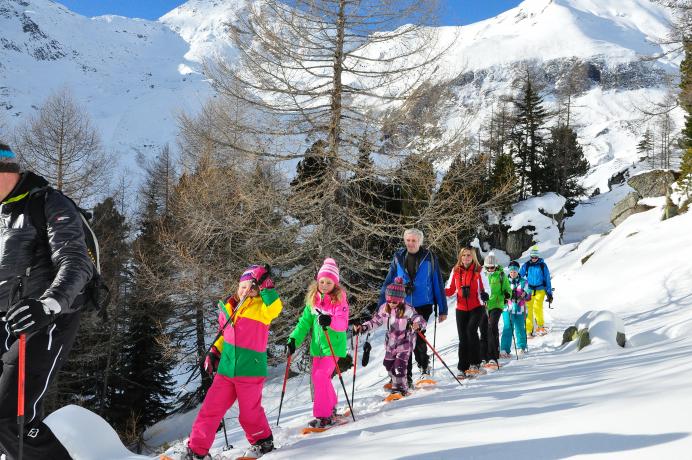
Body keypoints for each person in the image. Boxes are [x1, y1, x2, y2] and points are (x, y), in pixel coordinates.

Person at [0, 142, 94, 460]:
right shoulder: (2, 213)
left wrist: (48, 304)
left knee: (10, 415)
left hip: (45, 319)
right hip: (6, 321)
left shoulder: (48, 203)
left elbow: (76, 262)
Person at [185, 265, 282, 460]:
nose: (246, 290)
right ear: (238, 286)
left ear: (258, 290)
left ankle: (262, 442)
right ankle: (196, 450)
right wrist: (214, 351)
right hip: (226, 370)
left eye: (251, 287)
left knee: (249, 414)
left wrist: (266, 286)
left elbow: (275, 308)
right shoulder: (230, 308)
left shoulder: (261, 309)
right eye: (243, 286)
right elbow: (223, 336)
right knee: (210, 410)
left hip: (250, 369)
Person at [286, 258, 349, 429]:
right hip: (317, 348)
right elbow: (304, 323)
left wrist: (329, 320)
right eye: (322, 281)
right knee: (318, 377)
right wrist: (293, 340)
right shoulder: (313, 300)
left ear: (335, 283)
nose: (324, 285)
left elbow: (343, 323)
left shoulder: (339, 299)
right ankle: (332, 404)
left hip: (333, 346)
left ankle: (324, 415)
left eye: (329, 282)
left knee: (321, 376)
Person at [379, 228, 447, 386]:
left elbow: (437, 283)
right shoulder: (398, 257)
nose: (410, 243)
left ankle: (424, 369)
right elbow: (388, 282)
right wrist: (382, 305)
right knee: (402, 339)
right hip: (402, 305)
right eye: (408, 240)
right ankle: (405, 376)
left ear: (420, 242)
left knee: (417, 335)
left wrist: (442, 308)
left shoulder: (429, 257)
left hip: (423, 303)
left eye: (414, 240)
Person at [354, 277, 426, 396]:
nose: (392, 304)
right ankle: (396, 381)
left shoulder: (408, 309)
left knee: (399, 367)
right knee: (387, 364)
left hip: (405, 342)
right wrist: (363, 327)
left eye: (395, 301)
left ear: (401, 300)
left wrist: (417, 324)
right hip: (391, 342)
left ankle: (400, 389)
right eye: (389, 301)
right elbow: (375, 321)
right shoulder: (384, 308)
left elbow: (419, 319)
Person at [445, 246, 488, 379]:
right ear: (460, 257)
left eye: (468, 255)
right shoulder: (456, 270)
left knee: (471, 331)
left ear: (473, 256)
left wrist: (486, 295)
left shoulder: (479, 270)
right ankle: (462, 368)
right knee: (463, 338)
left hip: (477, 306)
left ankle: (475, 363)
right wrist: (438, 293)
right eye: (463, 255)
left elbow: (486, 287)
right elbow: (451, 289)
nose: (466, 258)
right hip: (461, 309)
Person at [481, 252, 511, 368]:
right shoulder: (482, 275)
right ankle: (485, 355)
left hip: (497, 304)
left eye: (492, 267)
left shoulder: (501, 274)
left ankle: (493, 356)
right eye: (488, 267)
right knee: (485, 329)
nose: (490, 269)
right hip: (485, 305)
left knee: (492, 326)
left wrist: (508, 293)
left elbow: (507, 287)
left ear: (496, 266)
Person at [520, 246, 553, 337]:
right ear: (530, 257)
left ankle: (540, 327)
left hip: (540, 289)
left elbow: (547, 279)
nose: (534, 259)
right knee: (529, 310)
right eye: (532, 257)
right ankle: (528, 330)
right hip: (529, 290)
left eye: (535, 257)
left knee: (537, 307)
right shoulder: (527, 265)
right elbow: (520, 276)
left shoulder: (543, 265)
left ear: (538, 257)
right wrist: (520, 286)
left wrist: (549, 293)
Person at [500, 261, 531, 357]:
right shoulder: (504, 281)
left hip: (520, 309)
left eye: (515, 271)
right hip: (507, 309)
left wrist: (525, 294)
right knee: (508, 328)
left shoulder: (523, 281)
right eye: (511, 271)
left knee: (520, 328)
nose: (513, 273)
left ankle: (521, 347)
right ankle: (504, 349)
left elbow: (528, 290)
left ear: (518, 271)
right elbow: (500, 292)